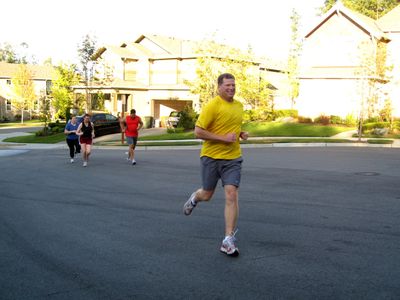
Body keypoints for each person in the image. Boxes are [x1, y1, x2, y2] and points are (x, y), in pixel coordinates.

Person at [183, 73, 248, 257]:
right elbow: (198, 132)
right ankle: (195, 198)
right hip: (211, 157)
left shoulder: (239, 106)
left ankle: (228, 239)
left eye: (233, 85)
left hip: (233, 158)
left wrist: (240, 133)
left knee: (231, 193)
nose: (231, 88)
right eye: (227, 85)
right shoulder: (212, 105)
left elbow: (229, 126)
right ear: (219, 87)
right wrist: (223, 138)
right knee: (207, 194)